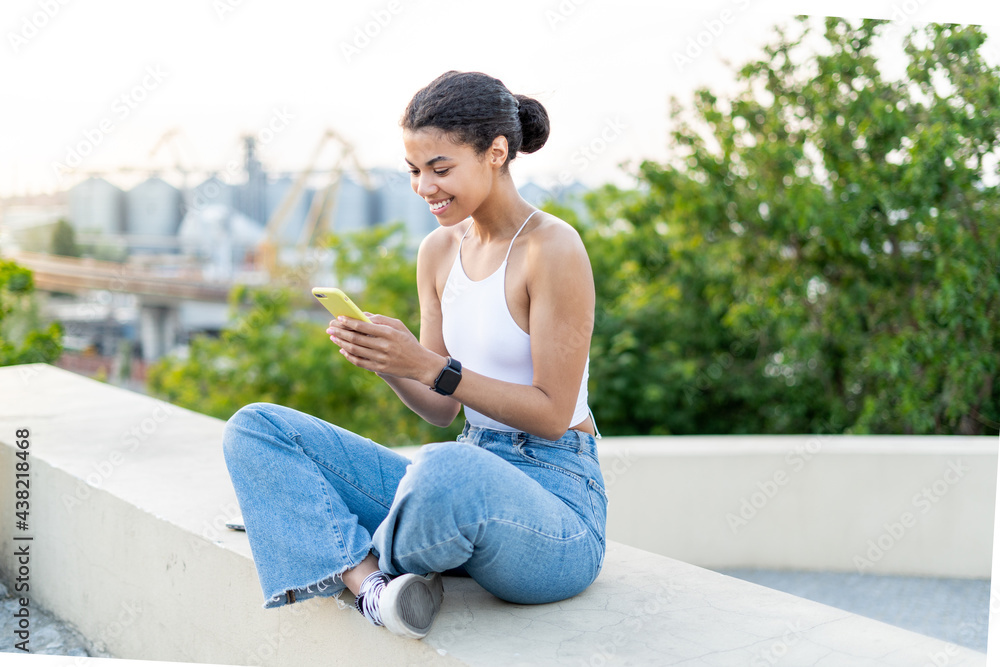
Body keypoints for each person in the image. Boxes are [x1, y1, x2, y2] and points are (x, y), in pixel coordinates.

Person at [222, 70, 607, 640]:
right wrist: (391, 364)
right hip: (463, 473)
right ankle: (371, 587)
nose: (424, 187)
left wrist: (428, 366)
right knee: (256, 429)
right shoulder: (438, 251)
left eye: (441, 169)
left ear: (496, 153)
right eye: (414, 171)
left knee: (442, 468)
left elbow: (552, 413)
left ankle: (312, 527)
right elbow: (441, 409)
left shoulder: (551, 248)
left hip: (555, 506)